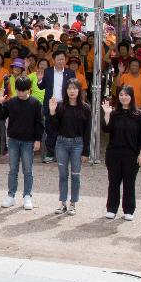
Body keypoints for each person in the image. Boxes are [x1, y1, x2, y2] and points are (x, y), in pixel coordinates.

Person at [102, 85, 141, 220]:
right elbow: (106, 129)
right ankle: (111, 208)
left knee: (129, 182)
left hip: (131, 154)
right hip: (114, 153)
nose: (123, 97)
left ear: (132, 97)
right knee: (113, 182)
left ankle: (129, 209)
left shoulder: (139, 116)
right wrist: (107, 114)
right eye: (121, 95)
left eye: (126, 95)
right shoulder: (114, 114)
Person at [0, 75, 44, 210]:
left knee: (28, 170)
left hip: (28, 141)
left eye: (24, 90)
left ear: (30, 89)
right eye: (19, 90)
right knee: (13, 170)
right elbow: (0, 116)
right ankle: (11, 195)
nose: (21, 93)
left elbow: (39, 123)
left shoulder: (35, 103)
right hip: (14, 140)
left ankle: (27, 195)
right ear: (16, 89)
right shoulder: (11, 102)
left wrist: (38, 140)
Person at [50, 79, 90, 215]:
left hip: (78, 144)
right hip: (61, 142)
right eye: (69, 88)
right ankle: (63, 203)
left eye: (74, 88)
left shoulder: (85, 108)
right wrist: (52, 112)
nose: (72, 91)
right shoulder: (61, 106)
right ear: (65, 91)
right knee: (62, 175)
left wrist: (86, 151)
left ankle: (73, 203)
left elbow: (87, 131)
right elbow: (54, 127)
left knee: (75, 175)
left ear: (79, 90)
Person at [39, 49, 76, 163]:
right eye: (58, 59)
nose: (61, 61)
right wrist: (40, 80)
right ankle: (50, 153)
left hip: (65, 104)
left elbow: (74, 89)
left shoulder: (70, 73)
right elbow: (41, 87)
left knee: (65, 129)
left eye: (63, 59)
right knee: (51, 129)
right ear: (53, 60)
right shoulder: (48, 72)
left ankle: (65, 153)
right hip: (51, 104)